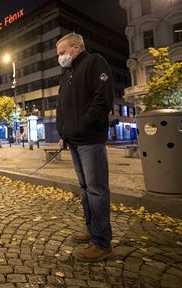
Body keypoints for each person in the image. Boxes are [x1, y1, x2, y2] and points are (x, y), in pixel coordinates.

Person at [55, 33, 114, 262]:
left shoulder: (94, 62)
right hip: (75, 140)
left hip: (91, 139)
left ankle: (101, 243)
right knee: (85, 188)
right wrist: (64, 133)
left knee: (97, 189)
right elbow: (64, 107)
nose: (59, 57)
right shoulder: (68, 73)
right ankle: (92, 232)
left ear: (75, 48)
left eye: (62, 53)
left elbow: (103, 99)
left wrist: (82, 124)